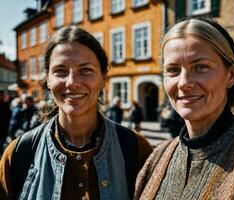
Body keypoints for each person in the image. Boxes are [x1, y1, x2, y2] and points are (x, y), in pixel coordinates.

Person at [0, 26, 153, 200]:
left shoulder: (136, 149)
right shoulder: (18, 153)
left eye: (85, 70)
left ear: (103, 79)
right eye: (61, 71)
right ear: (48, 79)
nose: (72, 82)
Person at [134, 17, 234, 200]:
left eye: (200, 67)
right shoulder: (158, 156)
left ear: (231, 75)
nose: (184, 83)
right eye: (173, 70)